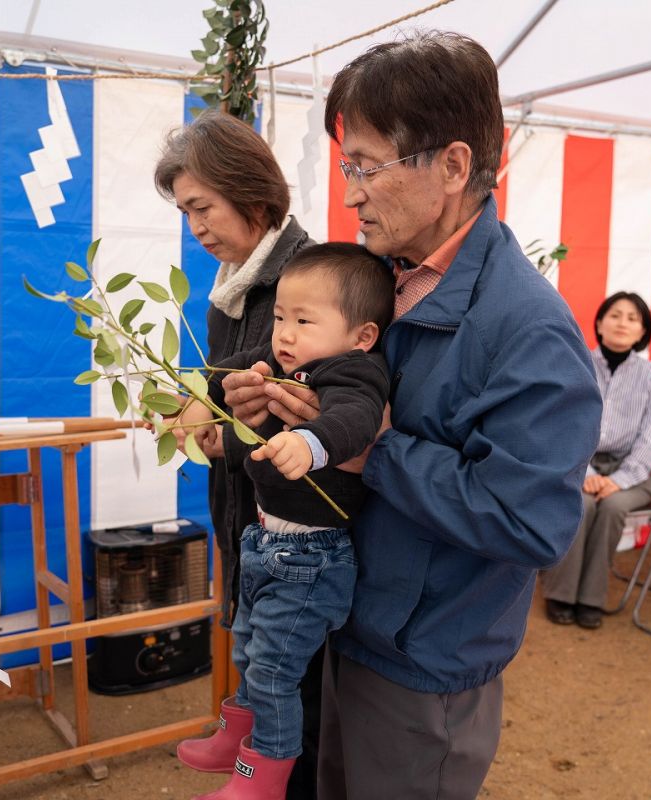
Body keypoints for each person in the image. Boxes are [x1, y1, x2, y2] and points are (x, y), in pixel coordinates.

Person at [222, 32, 601, 798]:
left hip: (424, 662)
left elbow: (534, 524)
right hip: (345, 621)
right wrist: (266, 403)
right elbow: (334, 402)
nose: (351, 191)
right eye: (346, 167)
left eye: (366, 165)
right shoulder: (380, 283)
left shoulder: (529, 330)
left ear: (453, 166)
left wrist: (371, 451)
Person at [175, 243, 393, 799]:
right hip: (269, 543)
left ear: (362, 336)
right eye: (278, 318)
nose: (284, 334)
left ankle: (262, 777)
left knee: (274, 672)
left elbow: (354, 422)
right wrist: (197, 397)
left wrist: (311, 443)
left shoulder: (354, 372)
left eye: (302, 320)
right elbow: (230, 370)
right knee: (248, 649)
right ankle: (238, 736)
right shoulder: (293, 363)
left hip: (313, 559)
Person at [153, 109, 323, 798]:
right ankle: (248, 744)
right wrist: (198, 414)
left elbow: (309, 378)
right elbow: (236, 395)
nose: (195, 226)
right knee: (259, 650)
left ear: (252, 195)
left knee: (291, 675)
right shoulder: (229, 288)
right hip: (245, 506)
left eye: (202, 207)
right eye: (185, 211)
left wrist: (215, 394)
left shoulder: (310, 274)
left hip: (295, 518)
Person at [542, 292, 651, 630]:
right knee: (580, 504)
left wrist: (618, 480)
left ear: (643, 331)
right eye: (615, 315)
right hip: (577, 461)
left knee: (611, 507)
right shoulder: (577, 361)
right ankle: (561, 594)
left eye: (632, 318)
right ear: (599, 323)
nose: (622, 323)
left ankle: (590, 599)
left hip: (632, 472)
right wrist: (586, 470)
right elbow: (563, 421)